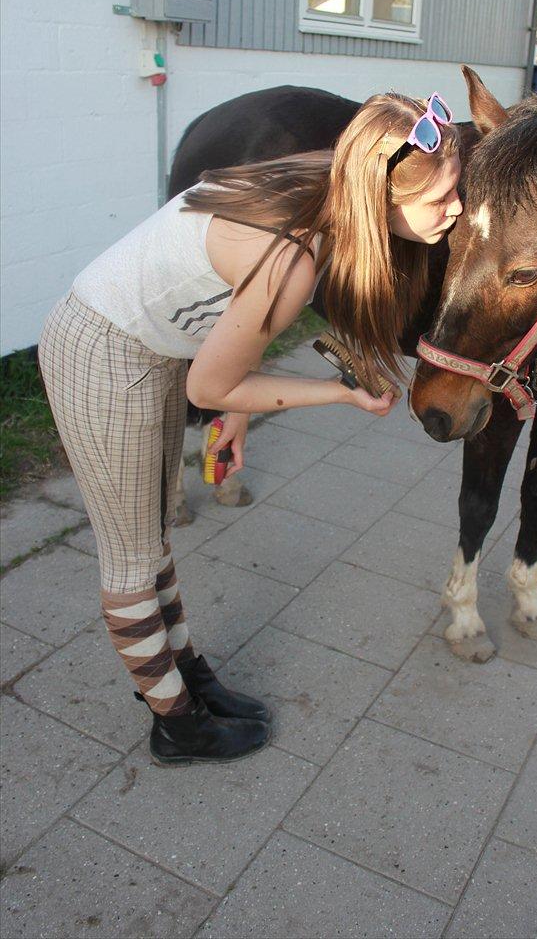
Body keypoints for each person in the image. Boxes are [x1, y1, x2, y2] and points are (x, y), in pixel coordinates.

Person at [38, 91, 462, 766]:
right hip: (104, 352)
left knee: (152, 537)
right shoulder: (292, 257)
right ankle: (177, 727)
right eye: (441, 197)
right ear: (380, 194)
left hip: (150, 344)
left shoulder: (326, 177)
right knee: (131, 559)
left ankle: (186, 677)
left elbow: (237, 312)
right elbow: (209, 387)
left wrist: (244, 408)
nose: (456, 208)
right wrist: (337, 393)